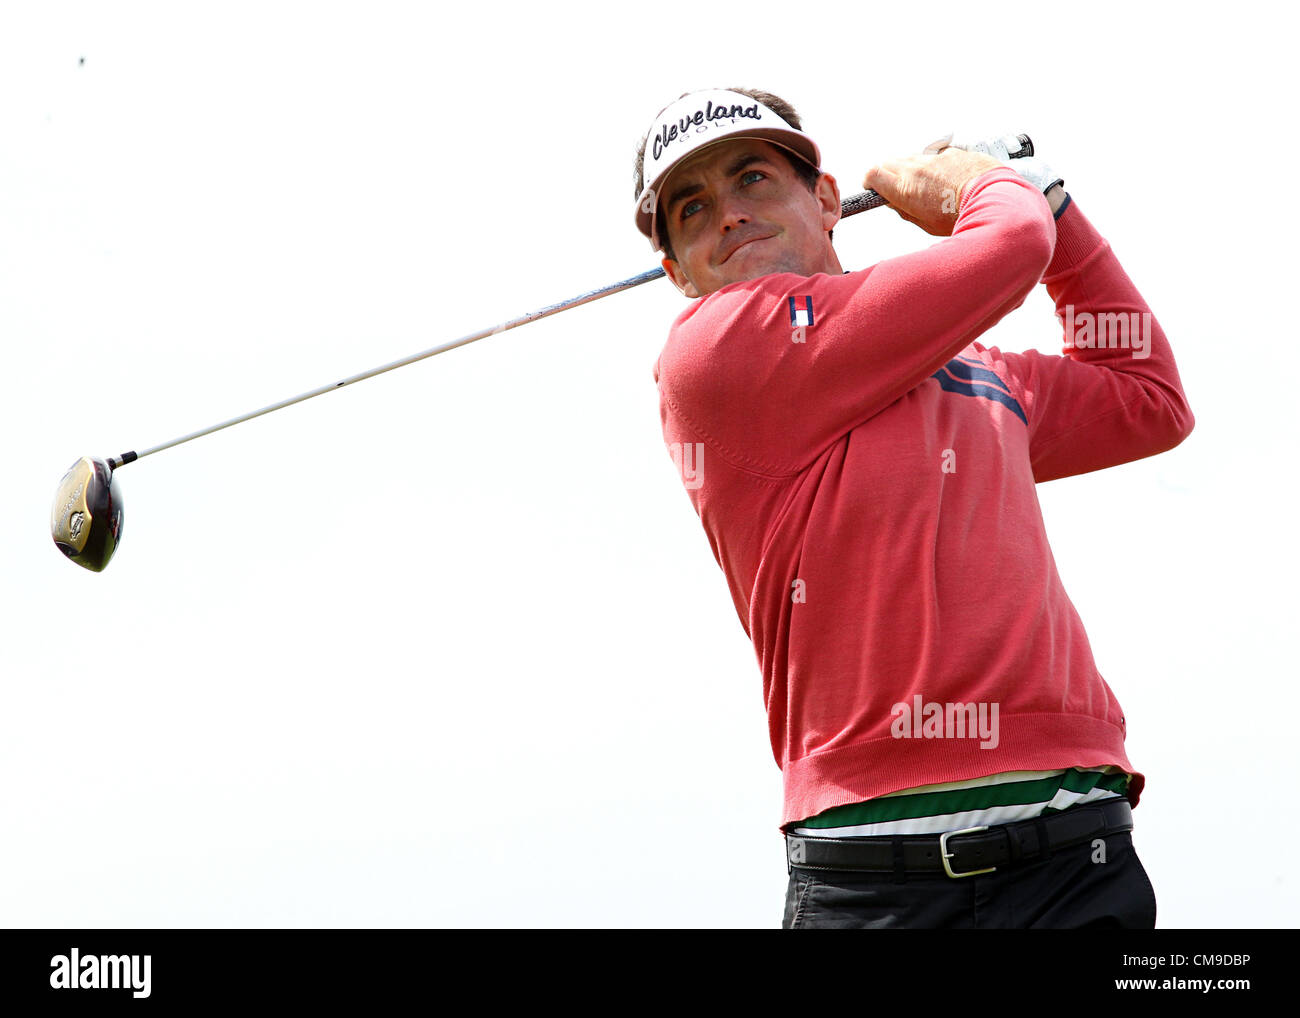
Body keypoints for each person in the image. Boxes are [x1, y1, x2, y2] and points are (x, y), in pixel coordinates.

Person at [634, 88, 1194, 929]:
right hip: (875, 877)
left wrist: (1055, 203)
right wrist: (980, 188)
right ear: (678, 272)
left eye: (752, 178)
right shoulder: (712, 354)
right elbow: (1006, 244)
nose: (729, 215)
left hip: (1072, 854)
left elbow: (1146, 395)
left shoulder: (976, 369)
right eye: (693, 207)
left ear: (825, 201)